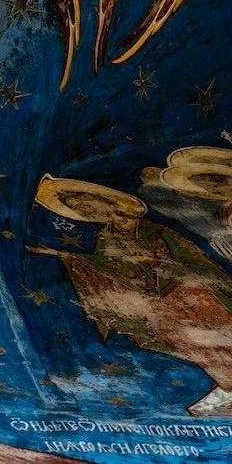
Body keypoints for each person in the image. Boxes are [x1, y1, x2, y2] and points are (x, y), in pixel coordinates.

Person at [31, 179, 232, 417]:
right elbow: (110, 268)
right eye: (84, 210)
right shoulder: (106, 237)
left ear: (109, 203)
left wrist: (152, 263)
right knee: (188, 345)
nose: (90, 211)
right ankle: (227, 385)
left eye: (90, 205)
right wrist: (70, 257)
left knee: (219, 333)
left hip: (187, 292)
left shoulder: (154, 230)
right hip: (157, 303)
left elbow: (187, 259)